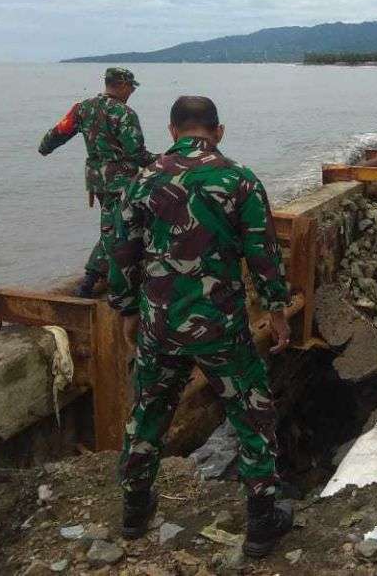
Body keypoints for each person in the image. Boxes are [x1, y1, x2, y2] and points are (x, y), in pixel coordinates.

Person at [107, 95, 294, 558]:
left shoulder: (142, 179)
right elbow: (262, 253)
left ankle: (133, 512)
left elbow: (121, 251)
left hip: (159, 324)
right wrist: (276, 309)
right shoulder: (240, 180)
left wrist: (127, 309)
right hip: (221, 327)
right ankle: (261, 523)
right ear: (219, 131)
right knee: (252, 414)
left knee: (148, 412)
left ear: (171, 131)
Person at [38, 67, 155, 297]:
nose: (132, 91)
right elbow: (137, 154)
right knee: (114, 229)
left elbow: (57, 133)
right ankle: (90, 281)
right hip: (121, 182)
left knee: (112, 224)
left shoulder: (83, 109)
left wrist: (44, 148)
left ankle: (100, 276)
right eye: (131, 87)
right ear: (121, 85)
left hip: (96, 182)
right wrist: (166, 160)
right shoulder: (124, 113)